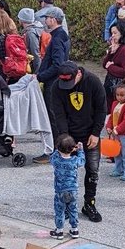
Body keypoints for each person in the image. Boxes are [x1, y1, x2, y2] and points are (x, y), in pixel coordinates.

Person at [49, 63, 107, 223]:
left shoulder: (93, 82)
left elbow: (102, 109)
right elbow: (58, 114)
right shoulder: (57, 87)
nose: (66, 87)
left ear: (79, 74)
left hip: (89, 133)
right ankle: (66, 205)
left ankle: (89, 203)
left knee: (93, 170)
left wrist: (96, 133)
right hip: (69, 135)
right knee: (64, 172)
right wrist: (66, 139)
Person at [35, 6, 70, 163]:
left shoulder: (56, 39)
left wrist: (40, 76)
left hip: (53, 83)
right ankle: (61, 148)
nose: (45, 20)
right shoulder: (62, 35)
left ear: (54, 20)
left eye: (47, 18)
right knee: (57, 116)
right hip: (58, 82)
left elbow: (57, 65)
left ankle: (55, 150)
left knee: (52, 117)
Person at [50, 134, 86, 240]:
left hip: (60, 191)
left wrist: (58, 149)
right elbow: (82, 160)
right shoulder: (75, 160)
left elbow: (52, 157)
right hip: (73, 191)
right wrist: (80, 150)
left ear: (58, 147)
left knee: (59, 211)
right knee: (73, 210)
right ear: (72, 148)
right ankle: (74, 229)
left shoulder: (56, 161)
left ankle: (59, 230)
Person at [101, 20, 125, 108]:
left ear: (122, 33)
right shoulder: (117, 47)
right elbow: (104, 64)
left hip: (120, 90)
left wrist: (111, 67)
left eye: (115, 33)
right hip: (112, 88)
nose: (112, 36)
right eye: (111, 33)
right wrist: (111, 52)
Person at [17, 7, 42, 73]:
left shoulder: (30, 33)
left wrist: (37, 73)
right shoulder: (36, 29)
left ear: (22, 20)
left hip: (36, 69)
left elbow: (35, 54)